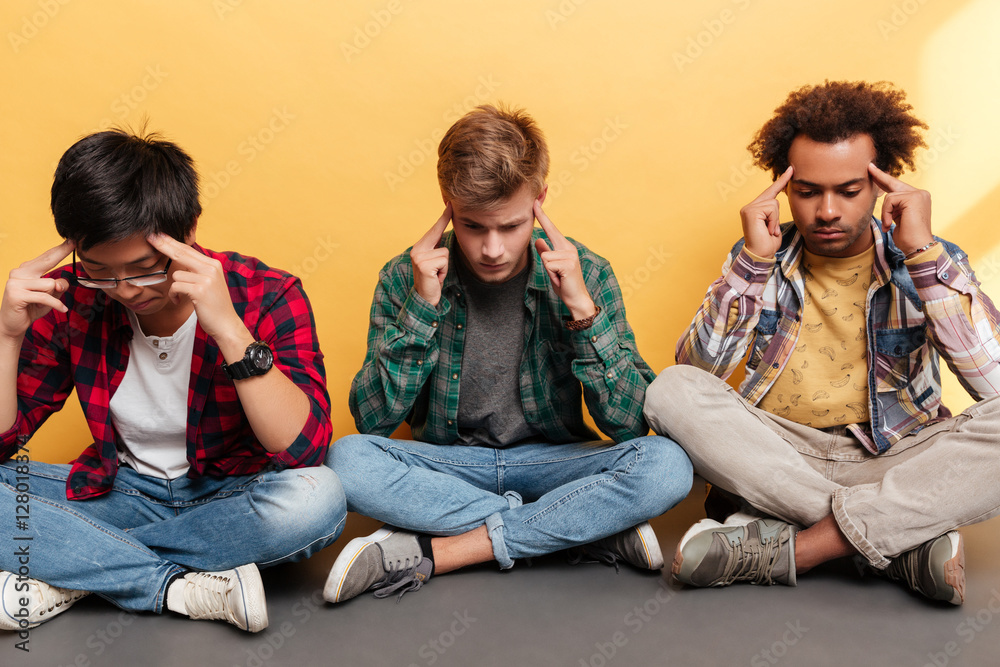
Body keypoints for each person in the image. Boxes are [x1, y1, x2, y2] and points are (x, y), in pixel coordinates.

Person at [644, 81, 1000, 605]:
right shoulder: (760, 256)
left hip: (894, 458)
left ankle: (800, 547)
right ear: (784, 189)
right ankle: (897, 540)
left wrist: (923, 253)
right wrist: (752, 264)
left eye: (848, 191)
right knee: (670, 389)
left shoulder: (925, 259)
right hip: (779, 458)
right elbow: (700, 374)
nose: (827, 211)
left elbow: (993, 386)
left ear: (880, 186)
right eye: (808, 192)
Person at [324, 104, 692, 603]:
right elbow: (373, 421)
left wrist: (582, 310)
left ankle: (449, 549)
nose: (492, 249)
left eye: (512, 226)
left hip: (555, 464)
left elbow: (629, 425)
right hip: (451, 467)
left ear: (540, 200)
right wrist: (421, 308)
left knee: (667, 464)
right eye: (474, 226)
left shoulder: (587, 272)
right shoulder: (405, 277)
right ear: (448, 204)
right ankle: (578, 528)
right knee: (346, 460)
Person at [0, 128, 345, 634]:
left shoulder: (265, 293)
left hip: (230, 497)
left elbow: (304, 450)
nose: (124, 291)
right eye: (99, 271)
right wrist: (7, 336)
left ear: (188, 232)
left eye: (143, 269)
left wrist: (229, 330)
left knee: (319, 497)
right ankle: (173, 586)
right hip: (118, 493)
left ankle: (74, 567)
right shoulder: (71, 299)